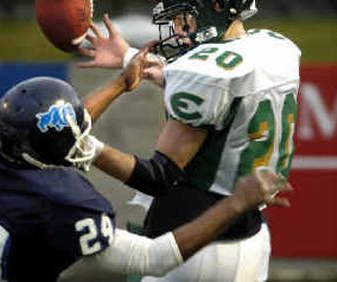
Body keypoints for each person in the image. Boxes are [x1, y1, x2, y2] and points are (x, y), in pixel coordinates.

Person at [0, 53, 291, 281]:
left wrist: (119, 84)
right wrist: (237, 202)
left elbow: (54, 126)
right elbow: (154, 258)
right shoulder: (60, 202)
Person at [77, 0, 301, 281]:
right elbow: (230, 96)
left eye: (186, 15)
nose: (178, 26)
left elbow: (158, 176)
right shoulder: (275, 48)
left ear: (218, 6)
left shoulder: (204, 74)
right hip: (250, 237)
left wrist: (87, 148)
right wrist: (130, 57)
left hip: (196, 248)